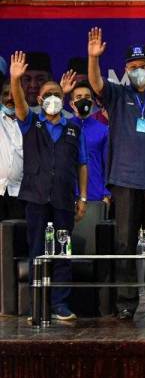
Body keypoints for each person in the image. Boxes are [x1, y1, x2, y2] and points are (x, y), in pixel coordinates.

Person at [87, 28, 145, 320]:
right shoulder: (117, 94)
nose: (138, 71)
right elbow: (96, 83)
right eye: (133, 67)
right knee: (125, 244)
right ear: (125, 69)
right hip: (125, 181)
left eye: (143, 66)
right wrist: (93, 59)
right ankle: (126, 303)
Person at [10, 51, 88, 321]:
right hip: (36, 198)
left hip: (64, 199)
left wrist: (83, 197)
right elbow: (20, 104)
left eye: (57, 93)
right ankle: (38, 306)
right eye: (48, 94)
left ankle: (60, 305)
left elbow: (82, 163)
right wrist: (15, 79)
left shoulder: (73, 127)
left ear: (62, 98)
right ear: (41, 100)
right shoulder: (30, 122)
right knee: (37, 252)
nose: (53, 98)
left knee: (62, 253)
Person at [63, 80, 110, 204]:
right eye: (78, 97)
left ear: (92, 102)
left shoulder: (104, 130)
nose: (83, 100)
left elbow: (108, 164)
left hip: (95, 195)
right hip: (67, 194)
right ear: (72, 104)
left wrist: (106, 193)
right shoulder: (63, 127)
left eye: (87, 97)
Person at [0, 78, 25, 220]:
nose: (10, 98)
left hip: (20, 193)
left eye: (14, 93)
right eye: (5, 94)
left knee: (18, 239)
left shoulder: (31, 123)